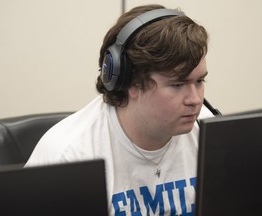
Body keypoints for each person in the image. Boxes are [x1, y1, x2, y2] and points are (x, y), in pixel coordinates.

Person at [25, 4, 218, 215]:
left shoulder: (207, 132)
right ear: (132, 84)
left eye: (200, 81)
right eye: (177, 85)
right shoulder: (68, 156)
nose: (195, 99)